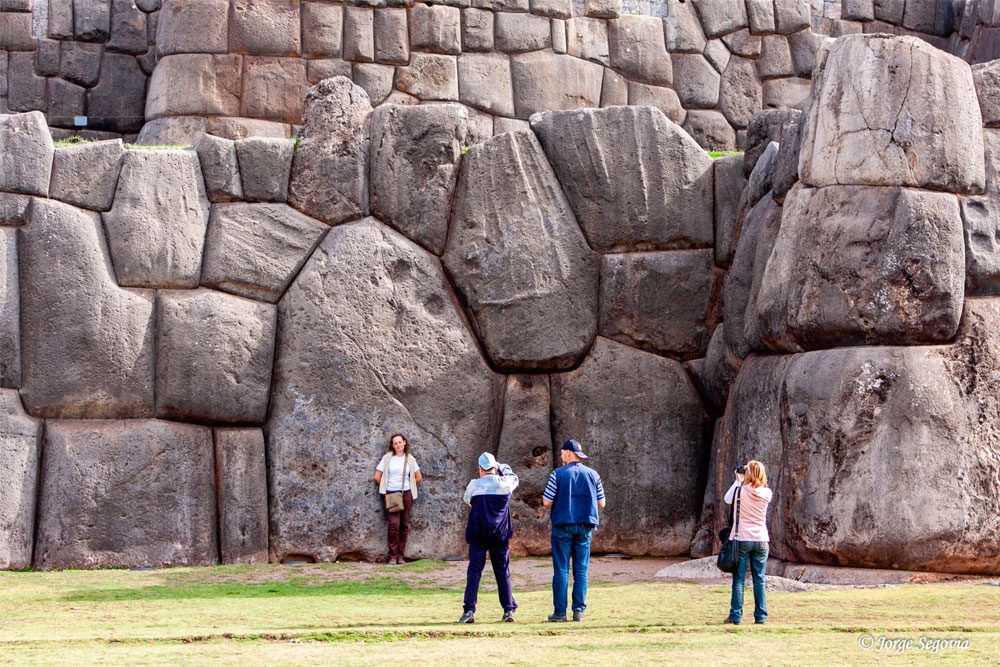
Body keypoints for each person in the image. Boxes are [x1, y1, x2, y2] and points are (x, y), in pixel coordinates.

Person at [542, 439, 606, 622]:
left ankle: (560, 613)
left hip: (563, 526)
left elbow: (546, 502)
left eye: (562, 453)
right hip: (585, 526)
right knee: (581, 570)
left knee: (561, 570)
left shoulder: (557, 475)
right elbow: (602, 503)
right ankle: (579, 610)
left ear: (569, 453)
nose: (561, 456)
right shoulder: (593, 475)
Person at [458, 452, 520, 624]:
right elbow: (514, 477)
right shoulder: (505, 484)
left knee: (474, 572)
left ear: (480, 469)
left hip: (478, 535)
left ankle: (469, 610)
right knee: (502, 571)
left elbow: (467, 500)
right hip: (500, 535)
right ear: (495, 467)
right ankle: (508, 609)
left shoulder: (474, 485)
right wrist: (503, 467)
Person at [723, 460, 772, 625]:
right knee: (759, 578)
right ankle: (761, 616)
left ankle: (735, 616)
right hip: (761, 539)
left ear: (748, 473)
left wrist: (738, 480)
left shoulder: (739, 491)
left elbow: (727, 499)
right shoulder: (767, 493)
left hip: (742, 539)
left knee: (739, 579)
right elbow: (759, 489)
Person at [373, 434, 423, 565]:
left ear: (404, 443)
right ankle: (393, 555)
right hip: (391, 494)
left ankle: (401, 555)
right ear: (392, 445)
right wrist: (386, 487)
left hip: (406, 494)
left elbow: (418, 477)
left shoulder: (410, 459)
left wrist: (409, 486)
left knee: (404, 525)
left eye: (400, 442)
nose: (398, 445)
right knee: (393, 525)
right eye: (395, 443)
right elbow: (377, 476)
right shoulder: (387, 458)